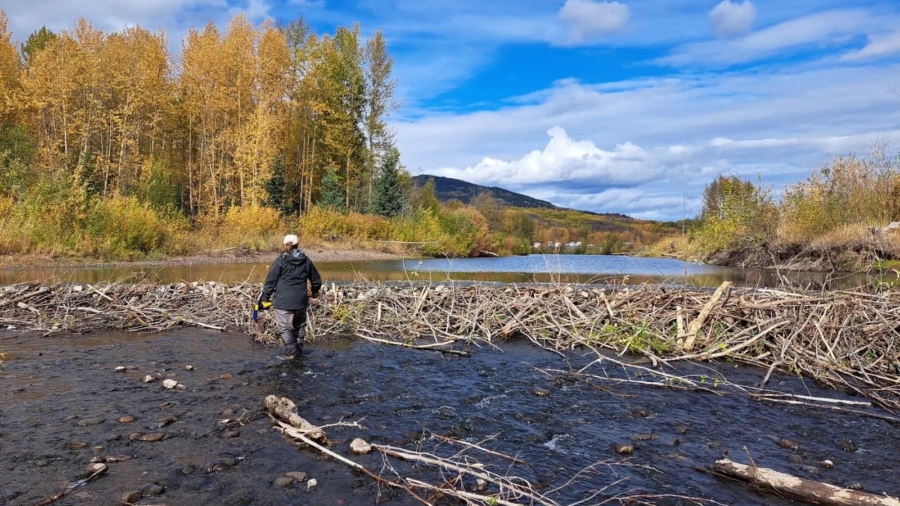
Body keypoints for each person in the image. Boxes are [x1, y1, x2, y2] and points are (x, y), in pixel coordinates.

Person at [258, 234, 322, 360]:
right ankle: (299, 352)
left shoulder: (280, 261)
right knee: (300, 326)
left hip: (283, 302)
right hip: (301, 301)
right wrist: (314, 292)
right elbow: (316, 280)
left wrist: (264, 299)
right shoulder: (306, 260)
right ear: (297, 245)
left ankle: (291, 353)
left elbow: (270, 283)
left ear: (284, 245)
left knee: (285, 327)